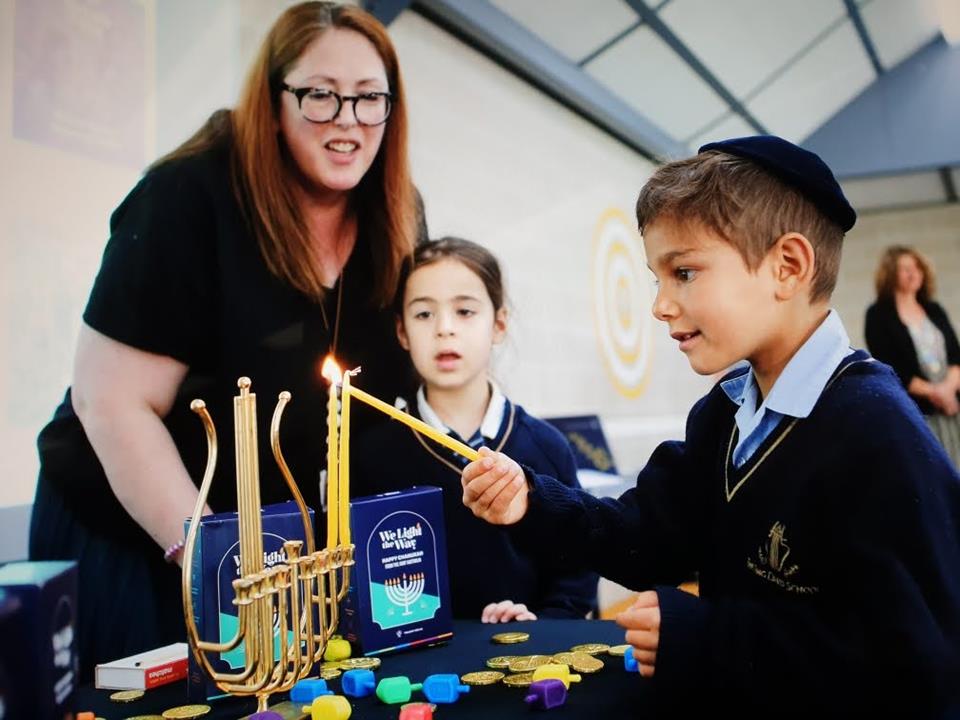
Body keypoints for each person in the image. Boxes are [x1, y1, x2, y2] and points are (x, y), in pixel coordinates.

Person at [460, 137, 960, 716]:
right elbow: (647, 538)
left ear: (787, 267)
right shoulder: (724, 410)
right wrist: (532, 502)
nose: (660, 305)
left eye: (685, 272)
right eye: (657, 278)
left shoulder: (878, 434)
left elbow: (916, 666)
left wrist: (708, 638)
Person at [30, 1, 422, 679]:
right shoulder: (187, 197)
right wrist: (216, 566)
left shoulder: (396, 213)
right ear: (271, 103)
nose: (348, 123)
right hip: (139, 535)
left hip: (275, 557)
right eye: (320, 96)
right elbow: (112, 404)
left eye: (368, 100)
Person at [353, 237, 597, 622]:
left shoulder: (547, 447)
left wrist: (541, 623)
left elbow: (576, 576)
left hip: (527, 663)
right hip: (414, 669)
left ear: (499, 324)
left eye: (465, 311)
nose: (444, 329)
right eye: (423, 314)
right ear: (401, 332)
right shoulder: (372, 455)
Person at [865, 245, 960, 466]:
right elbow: (892, 367)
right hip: (920, 413)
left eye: (916, 266)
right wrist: (937, 393)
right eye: (905, 268)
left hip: (953, 404)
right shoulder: (878, 316)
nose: (913, 272)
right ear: (890, 275)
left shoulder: (933, 308)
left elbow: (956, 355)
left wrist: (948, 390)